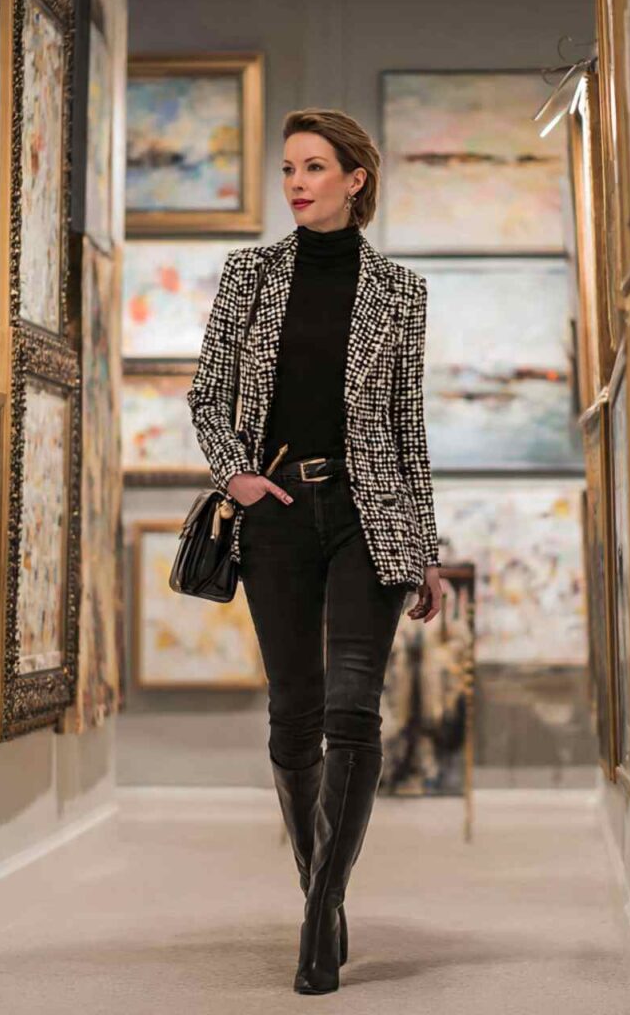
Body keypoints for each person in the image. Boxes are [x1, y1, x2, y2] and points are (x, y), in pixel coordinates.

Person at [186, 107, 442, 994]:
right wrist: (236, 476)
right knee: (295, 712)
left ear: (354, 179)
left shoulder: (401, 292)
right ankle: (321, 892)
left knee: (353, 710)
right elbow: (209, 394)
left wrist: (424, 547)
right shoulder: (248, 275)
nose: (296, 183)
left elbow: (407, 429)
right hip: (280, 512)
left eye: (314, 167)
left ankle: (318, 912)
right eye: (289, 169)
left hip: (371, 516)